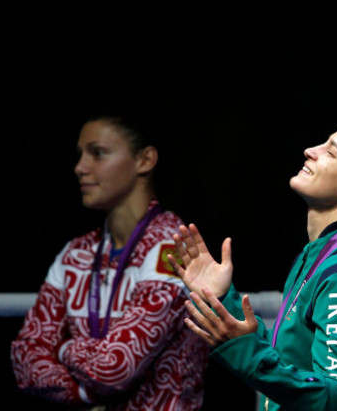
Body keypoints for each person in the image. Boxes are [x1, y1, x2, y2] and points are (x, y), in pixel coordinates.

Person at [169, 122, 337, 411]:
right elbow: (291, 363)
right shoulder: (323, 254)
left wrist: (247, 353)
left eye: (331, 153)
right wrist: (224, 298)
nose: (310, 151)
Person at [11, 111, 209, 410]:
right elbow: (25, 357)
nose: (80, 167)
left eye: (98, 153)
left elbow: (115, 368)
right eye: (80, 155)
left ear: (145, 160)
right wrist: (85, 394)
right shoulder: (75, 254)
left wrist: (62, 348)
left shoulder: (174, 248)